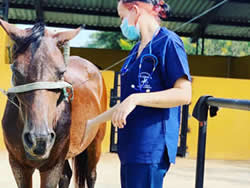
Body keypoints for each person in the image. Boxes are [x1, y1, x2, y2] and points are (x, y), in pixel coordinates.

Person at [86, 0, 192, 187]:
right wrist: (92, 123)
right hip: (130, 148)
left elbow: (184, 94)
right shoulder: (136, 51)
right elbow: (126, 104)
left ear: (134, 10)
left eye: (122, 17)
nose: (121, 24)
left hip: (150, 148)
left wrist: (136, 99)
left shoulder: (168, 42)